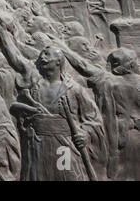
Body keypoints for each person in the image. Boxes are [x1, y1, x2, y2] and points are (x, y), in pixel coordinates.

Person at [0, 13, 107, 181]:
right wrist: (1, 31)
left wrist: (86, 134)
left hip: (63, 145)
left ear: (59, 61)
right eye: (41, 55)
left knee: (64, 174)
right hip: (37, 143)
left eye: (47, 54)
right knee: (37, 176)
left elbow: (93, 119)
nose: (42, 57)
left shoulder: (73, 89)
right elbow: (15, 57)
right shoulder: (34, 80)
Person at [60, 45, 140, 180]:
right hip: (132, 136)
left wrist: (63, 49)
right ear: (132, 65)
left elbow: (83, 66)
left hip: (120, 136)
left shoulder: (107, 79)